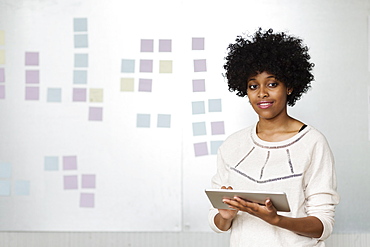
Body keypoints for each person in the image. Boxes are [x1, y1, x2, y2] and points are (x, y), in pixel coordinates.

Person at [208, 28, 339, 246]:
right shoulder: (233, 145)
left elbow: (323, 224)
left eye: (272, 83)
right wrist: (225, 216)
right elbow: (217, 221)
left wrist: (277, 220)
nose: (262, 93)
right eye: (253, 86)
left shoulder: (312, 142)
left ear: (289, 86)